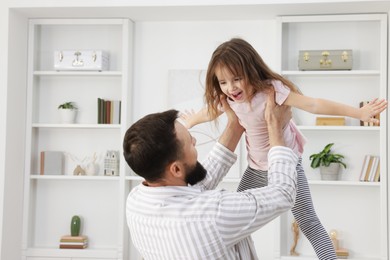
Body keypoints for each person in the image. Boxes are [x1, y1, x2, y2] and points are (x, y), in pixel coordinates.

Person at [180, 38, 388, 260]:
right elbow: (209, 112)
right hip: (256, 168)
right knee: (235, 221)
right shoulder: (229, 100)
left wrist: (359, 113)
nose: (231, 88)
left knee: (308, 221)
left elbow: (314, 104)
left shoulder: (271, 90)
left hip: (288, 167)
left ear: (251, 71)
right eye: (223, 82)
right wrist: (190, 122)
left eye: (237, 79)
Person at [123, 91, 299, 260]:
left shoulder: (136, 201)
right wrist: (274, 127)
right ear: (176, 170)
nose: (195, 141)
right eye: (190, 143)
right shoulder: (213, 214)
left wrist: (235, 124)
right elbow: (282, 194)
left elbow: (198, 185)